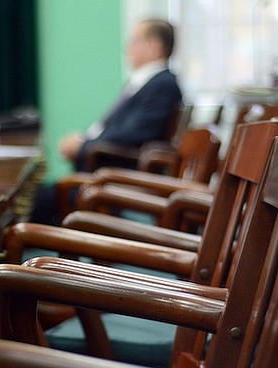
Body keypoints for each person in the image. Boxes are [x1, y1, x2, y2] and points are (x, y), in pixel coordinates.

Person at [31, 18, 183, 224]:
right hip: (100, 166)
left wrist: (84, 146)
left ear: (154, 45)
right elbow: (113, 127)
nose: (128, 47)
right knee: (35, 198)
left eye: (134, 40)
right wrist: (82, 139)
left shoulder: (163, 84)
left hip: (114, 171)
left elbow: (135, 134)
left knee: (33, 203)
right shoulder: (142, 81)